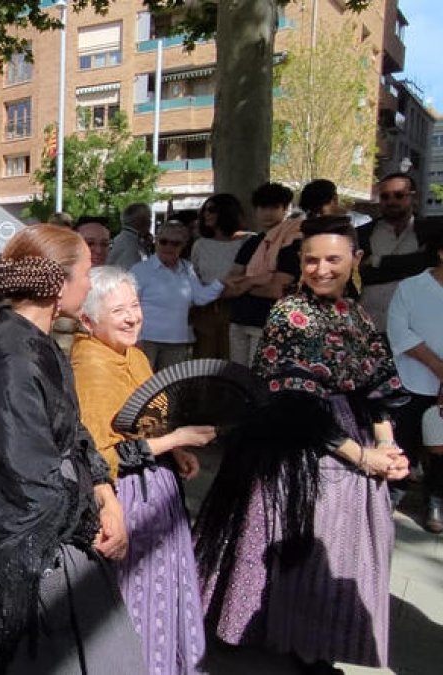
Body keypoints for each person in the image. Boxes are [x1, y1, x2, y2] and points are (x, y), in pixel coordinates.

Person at [0, 224, 144, 673]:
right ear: (59, 284)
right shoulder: (10, 354)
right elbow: (25, 475)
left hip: (52, 526)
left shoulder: (39, 342)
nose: (88, 282)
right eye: (85, 272)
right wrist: (90, 519)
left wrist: (105, 490)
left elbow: (73, 431)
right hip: (19, 548)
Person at [197, 216, 410, 674]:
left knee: (340, 543)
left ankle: (320, 639)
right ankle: (301, 643)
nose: (321, 269)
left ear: (355, 260)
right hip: (301, 440)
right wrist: (362, 456)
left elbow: (378, 386)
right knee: (307, 538)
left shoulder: (358, 315)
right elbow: (294, 405)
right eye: (311, 260)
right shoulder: (289, 313)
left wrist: (389, 448)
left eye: (333, 259)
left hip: (351, 428)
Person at [71, 265, 216, 675]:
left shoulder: (132, 354)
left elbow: (151, 423)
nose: (133, 317)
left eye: (135, 306)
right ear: (88, 319)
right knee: (135, 588)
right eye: (119, 311)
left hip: (157, 486)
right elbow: (102, 454)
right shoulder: (91, 365)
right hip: (124, 497)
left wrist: (175, 451)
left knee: (162, 586)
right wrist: (173, 440)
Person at [386, 226, 443, 531]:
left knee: (441, 447)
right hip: (412, 378)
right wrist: (438, 368)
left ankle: (436, 499)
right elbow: (400, 332)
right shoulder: (412, 286)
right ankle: (395, 491)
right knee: (404, 438)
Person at [224, 182, 300, 365]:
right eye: (262, 207)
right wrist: (256, 281)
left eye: (274, 207)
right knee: (237, 380)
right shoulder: (251, 243)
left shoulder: (291, 242)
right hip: (239, 319)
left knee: (257, 380)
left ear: (285, 209)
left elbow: (277, 289)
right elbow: (228, 284)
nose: (267, 213)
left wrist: (245, 284)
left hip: (267, 322)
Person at [131, 222, 224, 370]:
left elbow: (200, 297)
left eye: (175, 243)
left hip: (177, 340)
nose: (168, 247)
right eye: (163, 242)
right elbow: (130, 305)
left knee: (171, 388)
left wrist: (222, 283)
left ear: (183, 245)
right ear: (156, 242)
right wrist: (136, 338)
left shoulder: (188, 269)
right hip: (147, 340)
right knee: (144, 387)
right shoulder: (140, 270)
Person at [358, 172, 433, 331]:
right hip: (372, 327)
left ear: (414, 197)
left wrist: (377, 262)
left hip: (418, 331)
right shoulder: (362, 234)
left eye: (399, 195)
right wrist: (411, 265)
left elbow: (430, 269)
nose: (391, 201)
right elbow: (362, 273)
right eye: (385, 196)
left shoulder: (432, 232)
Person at [190, 194, 252, 359]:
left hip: (236, 308)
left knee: (231, 364)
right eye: (204, 210)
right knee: (203, 365)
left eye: (212, 210)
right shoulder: (200, 245)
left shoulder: (247, 242)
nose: (206, 215)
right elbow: (194, 277)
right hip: (206, 310)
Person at [109, 202, 153, 269]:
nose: (150, 222)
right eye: (149, 218)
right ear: (142, 221)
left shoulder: (120, 239)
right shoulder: (132, 246)